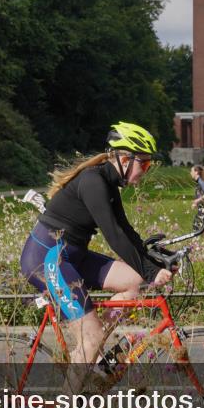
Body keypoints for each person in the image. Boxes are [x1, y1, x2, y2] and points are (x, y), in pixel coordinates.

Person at [19, 121, 173, 391]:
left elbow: (126, 230)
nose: (145, 172)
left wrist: (153, 261)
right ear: (125, 159)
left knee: (133, 281)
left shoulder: (109, 182)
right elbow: (113, 235)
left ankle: (96, 352)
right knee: (92, 336)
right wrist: (152, 271)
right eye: (144, 165)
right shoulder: (93, 181)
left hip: (72, 257)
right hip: (48, 261)